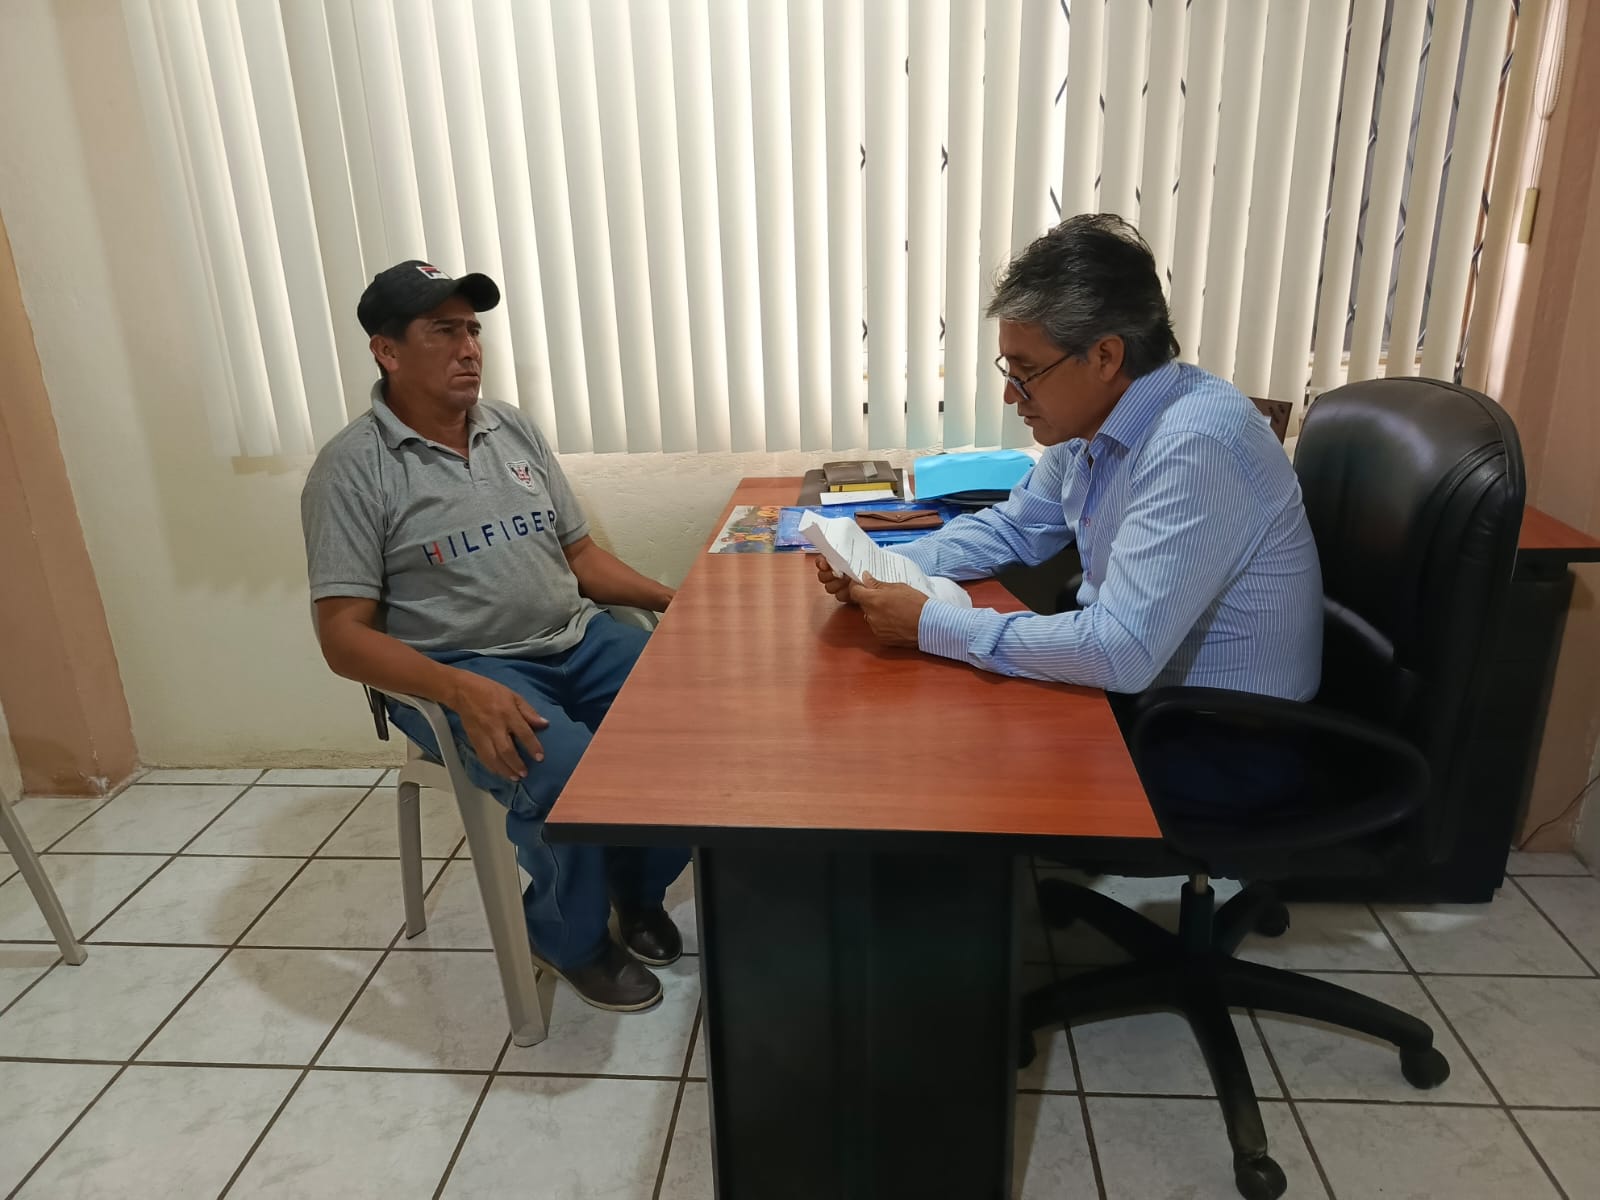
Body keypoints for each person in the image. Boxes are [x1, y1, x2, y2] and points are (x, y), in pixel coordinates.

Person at [301, 260, 688, 1012]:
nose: (469, 348)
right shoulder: (351, 470)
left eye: (473, 330)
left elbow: (580, 557)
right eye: (443, 331)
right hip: (465, 666)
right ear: (387, 351)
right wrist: (456, 689)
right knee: (564, 772)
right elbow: (342, 637)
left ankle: (635, 890)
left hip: (576, 637)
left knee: (686, 722)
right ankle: (567, 939)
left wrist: (676, 601)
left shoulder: (511, 427)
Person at [817, 214, 1322, 770]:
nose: (1011, 395)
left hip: (1223, 741)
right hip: (1146, 704)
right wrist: (880, 568)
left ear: (1105, 357)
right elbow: (1015, 527)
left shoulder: (1196, 445)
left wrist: (926, 624)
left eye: (1026, 372)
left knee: (946, 763)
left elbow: (1119, 650)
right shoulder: (1093, 422)